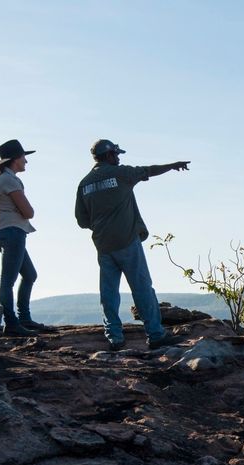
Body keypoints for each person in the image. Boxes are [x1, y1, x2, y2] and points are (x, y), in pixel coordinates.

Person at [75, 139, 190, 351]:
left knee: (108, 292)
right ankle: (155, 335)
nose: (118, 158)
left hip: (103, 245)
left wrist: (102, 223)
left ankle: (115, 339)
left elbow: (82, 221)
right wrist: (173, 165)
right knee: (142, 288)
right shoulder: (121, 174)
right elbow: (148, 170)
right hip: (127, 240)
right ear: (109, 156)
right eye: (116, 155)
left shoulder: (84, 184)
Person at [0, 139, 54, 336]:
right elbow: (28, 212)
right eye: (23, 157)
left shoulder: (4, 178)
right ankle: (12, 323)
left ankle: (23, 319)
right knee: (8, 280)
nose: (26, 161)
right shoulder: (9, 180)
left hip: (6, 231)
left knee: (29, 275)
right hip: (12, 232)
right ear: (15, 159)